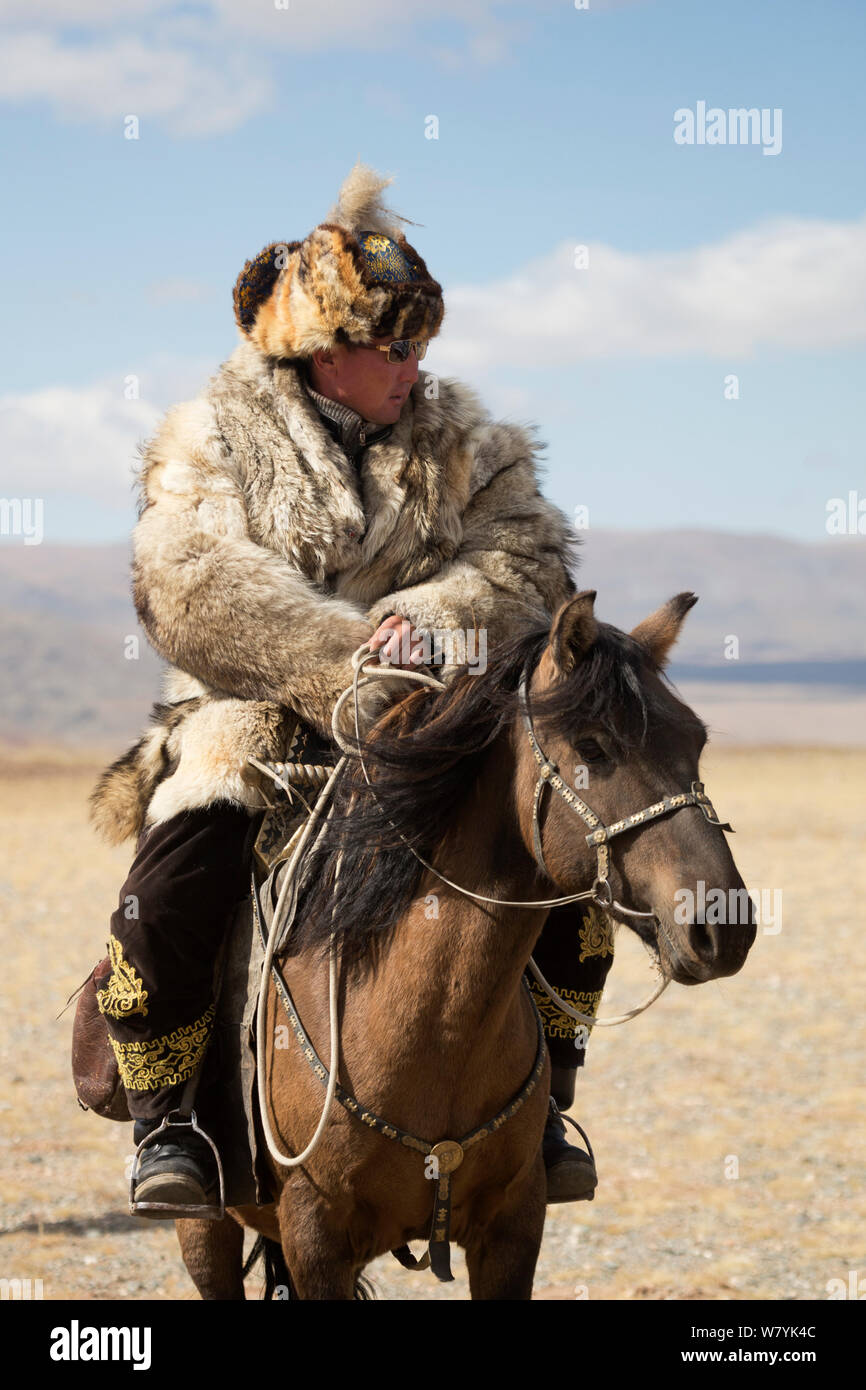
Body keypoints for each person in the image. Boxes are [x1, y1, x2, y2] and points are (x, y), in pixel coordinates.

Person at [88, 161, 614, 1215]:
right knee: (175, 875)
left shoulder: (466, 441)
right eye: (397, 348)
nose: (418, 368)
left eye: (423, 345)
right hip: (259, 718)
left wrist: (430, 623)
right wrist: (349, 663)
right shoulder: (210, 440)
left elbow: (526, 557)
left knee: (566, 847)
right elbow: (191, 586)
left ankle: (543, 1098)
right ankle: (172, 1124)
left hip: (441, 714)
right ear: (327, 353)